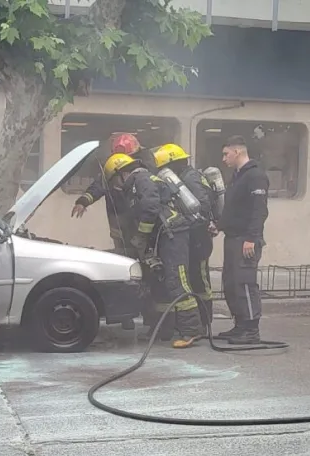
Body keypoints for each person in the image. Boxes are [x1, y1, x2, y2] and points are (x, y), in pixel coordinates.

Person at [103, 152, 204, 349]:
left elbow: (150, 207)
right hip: (163, 235)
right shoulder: (135, 184)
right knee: (161, 282)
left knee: (177, 280)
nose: (115, 185)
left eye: (114, 179)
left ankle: (192, 330)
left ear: (121, 172)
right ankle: (163, 329)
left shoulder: (140, 178)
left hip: (174, 234)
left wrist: (141, 235)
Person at [151, 143, 216, 323]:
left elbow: (202, 206)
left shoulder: (190, 178)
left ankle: (204, 323)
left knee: (200, 280)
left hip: (199, 236)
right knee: (193, 277)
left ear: (174, 163)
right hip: (194, 235)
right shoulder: (187, 176)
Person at [214, 135, 269, 345]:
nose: (224, 158)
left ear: (237, 151)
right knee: (231, 284)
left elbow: (259, 210)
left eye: (226, 154)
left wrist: (252, 238)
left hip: (246, 241)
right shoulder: (237, 176)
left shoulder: (255, 176)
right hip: (233, 238)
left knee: (245, 283)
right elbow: (233, 209)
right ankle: (239, 326)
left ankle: (251, 330)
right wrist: (218, 226)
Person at [71, 133, 155, 258]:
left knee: (145, 255)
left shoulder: (146, 171)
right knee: (122, 257)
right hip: (119, 225)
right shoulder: (116, 168)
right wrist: (84, 201)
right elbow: (101, 184)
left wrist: (143, 233)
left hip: (141, 226)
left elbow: (150, 203)